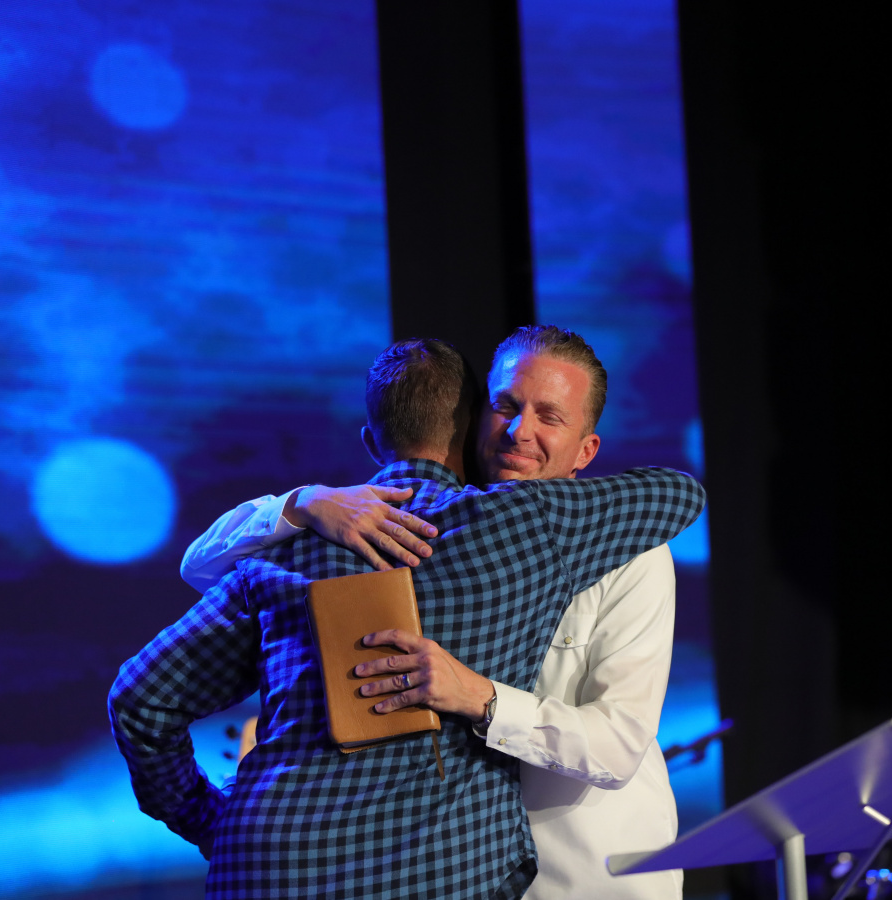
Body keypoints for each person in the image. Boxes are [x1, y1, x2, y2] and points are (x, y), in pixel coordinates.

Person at [109, 336, 705, 899]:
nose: (519, 430)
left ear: (587, 450)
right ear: (472, 422)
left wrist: (479, 696)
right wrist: (303, 502)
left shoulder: (624, 550)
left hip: (580, 874)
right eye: (505, 406)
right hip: (453, 866)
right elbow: (199, 564)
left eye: (549, 416)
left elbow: (618, 745)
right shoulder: (377, 523)